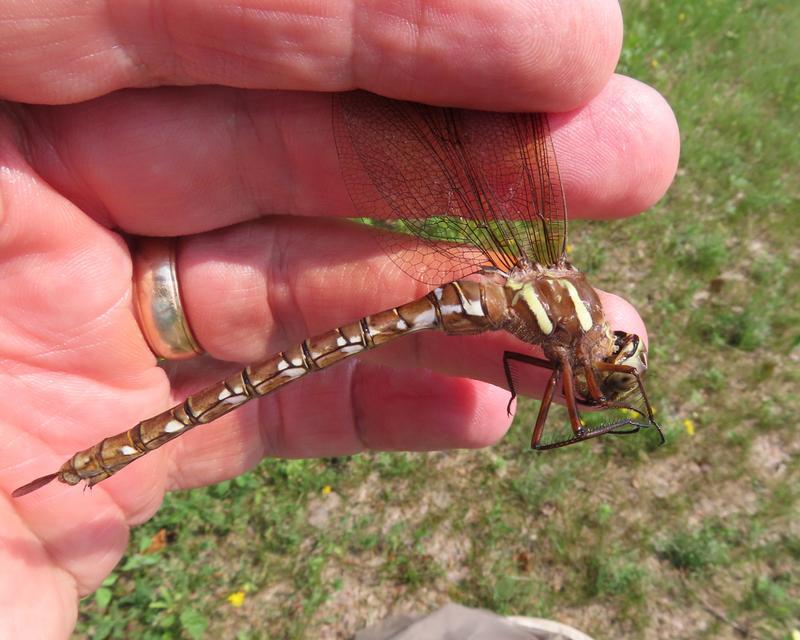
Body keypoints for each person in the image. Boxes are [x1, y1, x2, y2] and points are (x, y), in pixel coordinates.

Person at [0, 1, 679, 636]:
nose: (614, 351)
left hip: (476, 301)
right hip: (469, 304)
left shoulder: (559, 308)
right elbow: (543, 420)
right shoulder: (564, 344)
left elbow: (516, 369)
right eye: (618, 353)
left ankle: (85, 468)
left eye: (615, 358)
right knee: (271, 377)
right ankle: (101, 459)